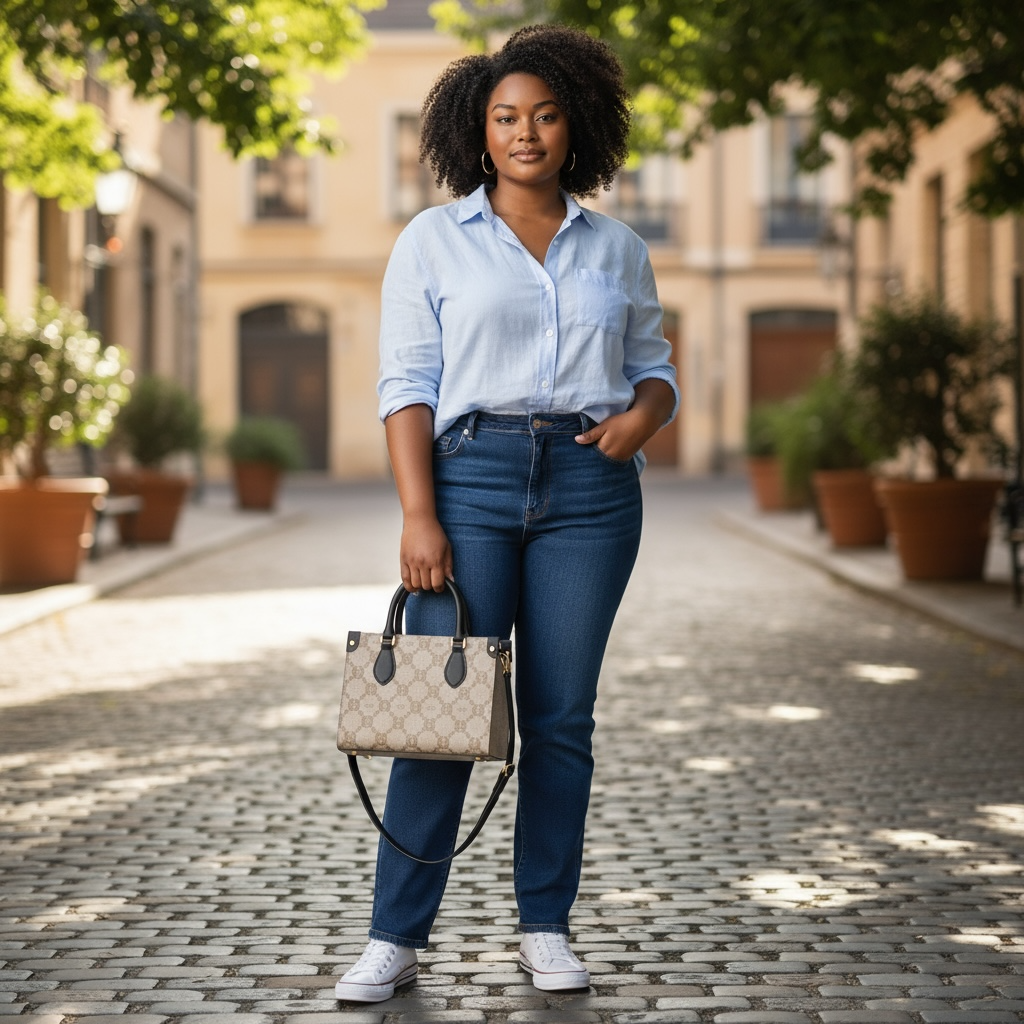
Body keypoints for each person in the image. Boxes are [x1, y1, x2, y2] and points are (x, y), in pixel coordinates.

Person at [334, 24, 679, 1003]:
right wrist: (418, 514)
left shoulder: (618, 249)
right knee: (440, 715)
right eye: (505, 117)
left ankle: (545, 926)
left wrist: (641, 417)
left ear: (577, 125)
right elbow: (406, 384)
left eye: (545, 114)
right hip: (467, 483)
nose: (526, 132)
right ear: (477, 133)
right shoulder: (432, 240)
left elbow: (654, 372)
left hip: (590, 491)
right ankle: (394, 936)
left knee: (561, 722)